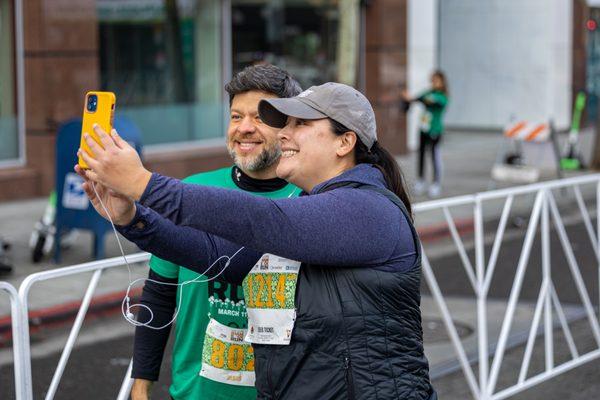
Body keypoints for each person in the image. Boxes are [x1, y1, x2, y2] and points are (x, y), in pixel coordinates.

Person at [77, 82, 437, 399]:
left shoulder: (369, 208)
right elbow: (222, 258)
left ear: (345, 142)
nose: (283, 134)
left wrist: (144, 184)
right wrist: (130, 216)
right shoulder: (314, 207)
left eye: (300, 124)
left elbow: (262, 220)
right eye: (284, 123)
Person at [129, 64, 301, 400]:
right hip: (196, 392)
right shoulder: (192, 194)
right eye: (236, 117)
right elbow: (160, 294)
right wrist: (141, 384)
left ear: (289, 127)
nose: (244, 128)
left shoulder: (314, 201)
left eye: (259, 117)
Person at [402, 70, 449, 198]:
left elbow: (436, 101)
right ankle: (421, 180)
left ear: (442, 82)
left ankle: (436, 183)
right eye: (432, 80)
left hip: (435, 131)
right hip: (423, 129)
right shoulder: (428, 93)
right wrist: (409, 98)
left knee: (434, 157)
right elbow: (416, 98)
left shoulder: (442, 96)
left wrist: (422, 99)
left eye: (436, 80)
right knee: (421, 155)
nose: (434, 82)